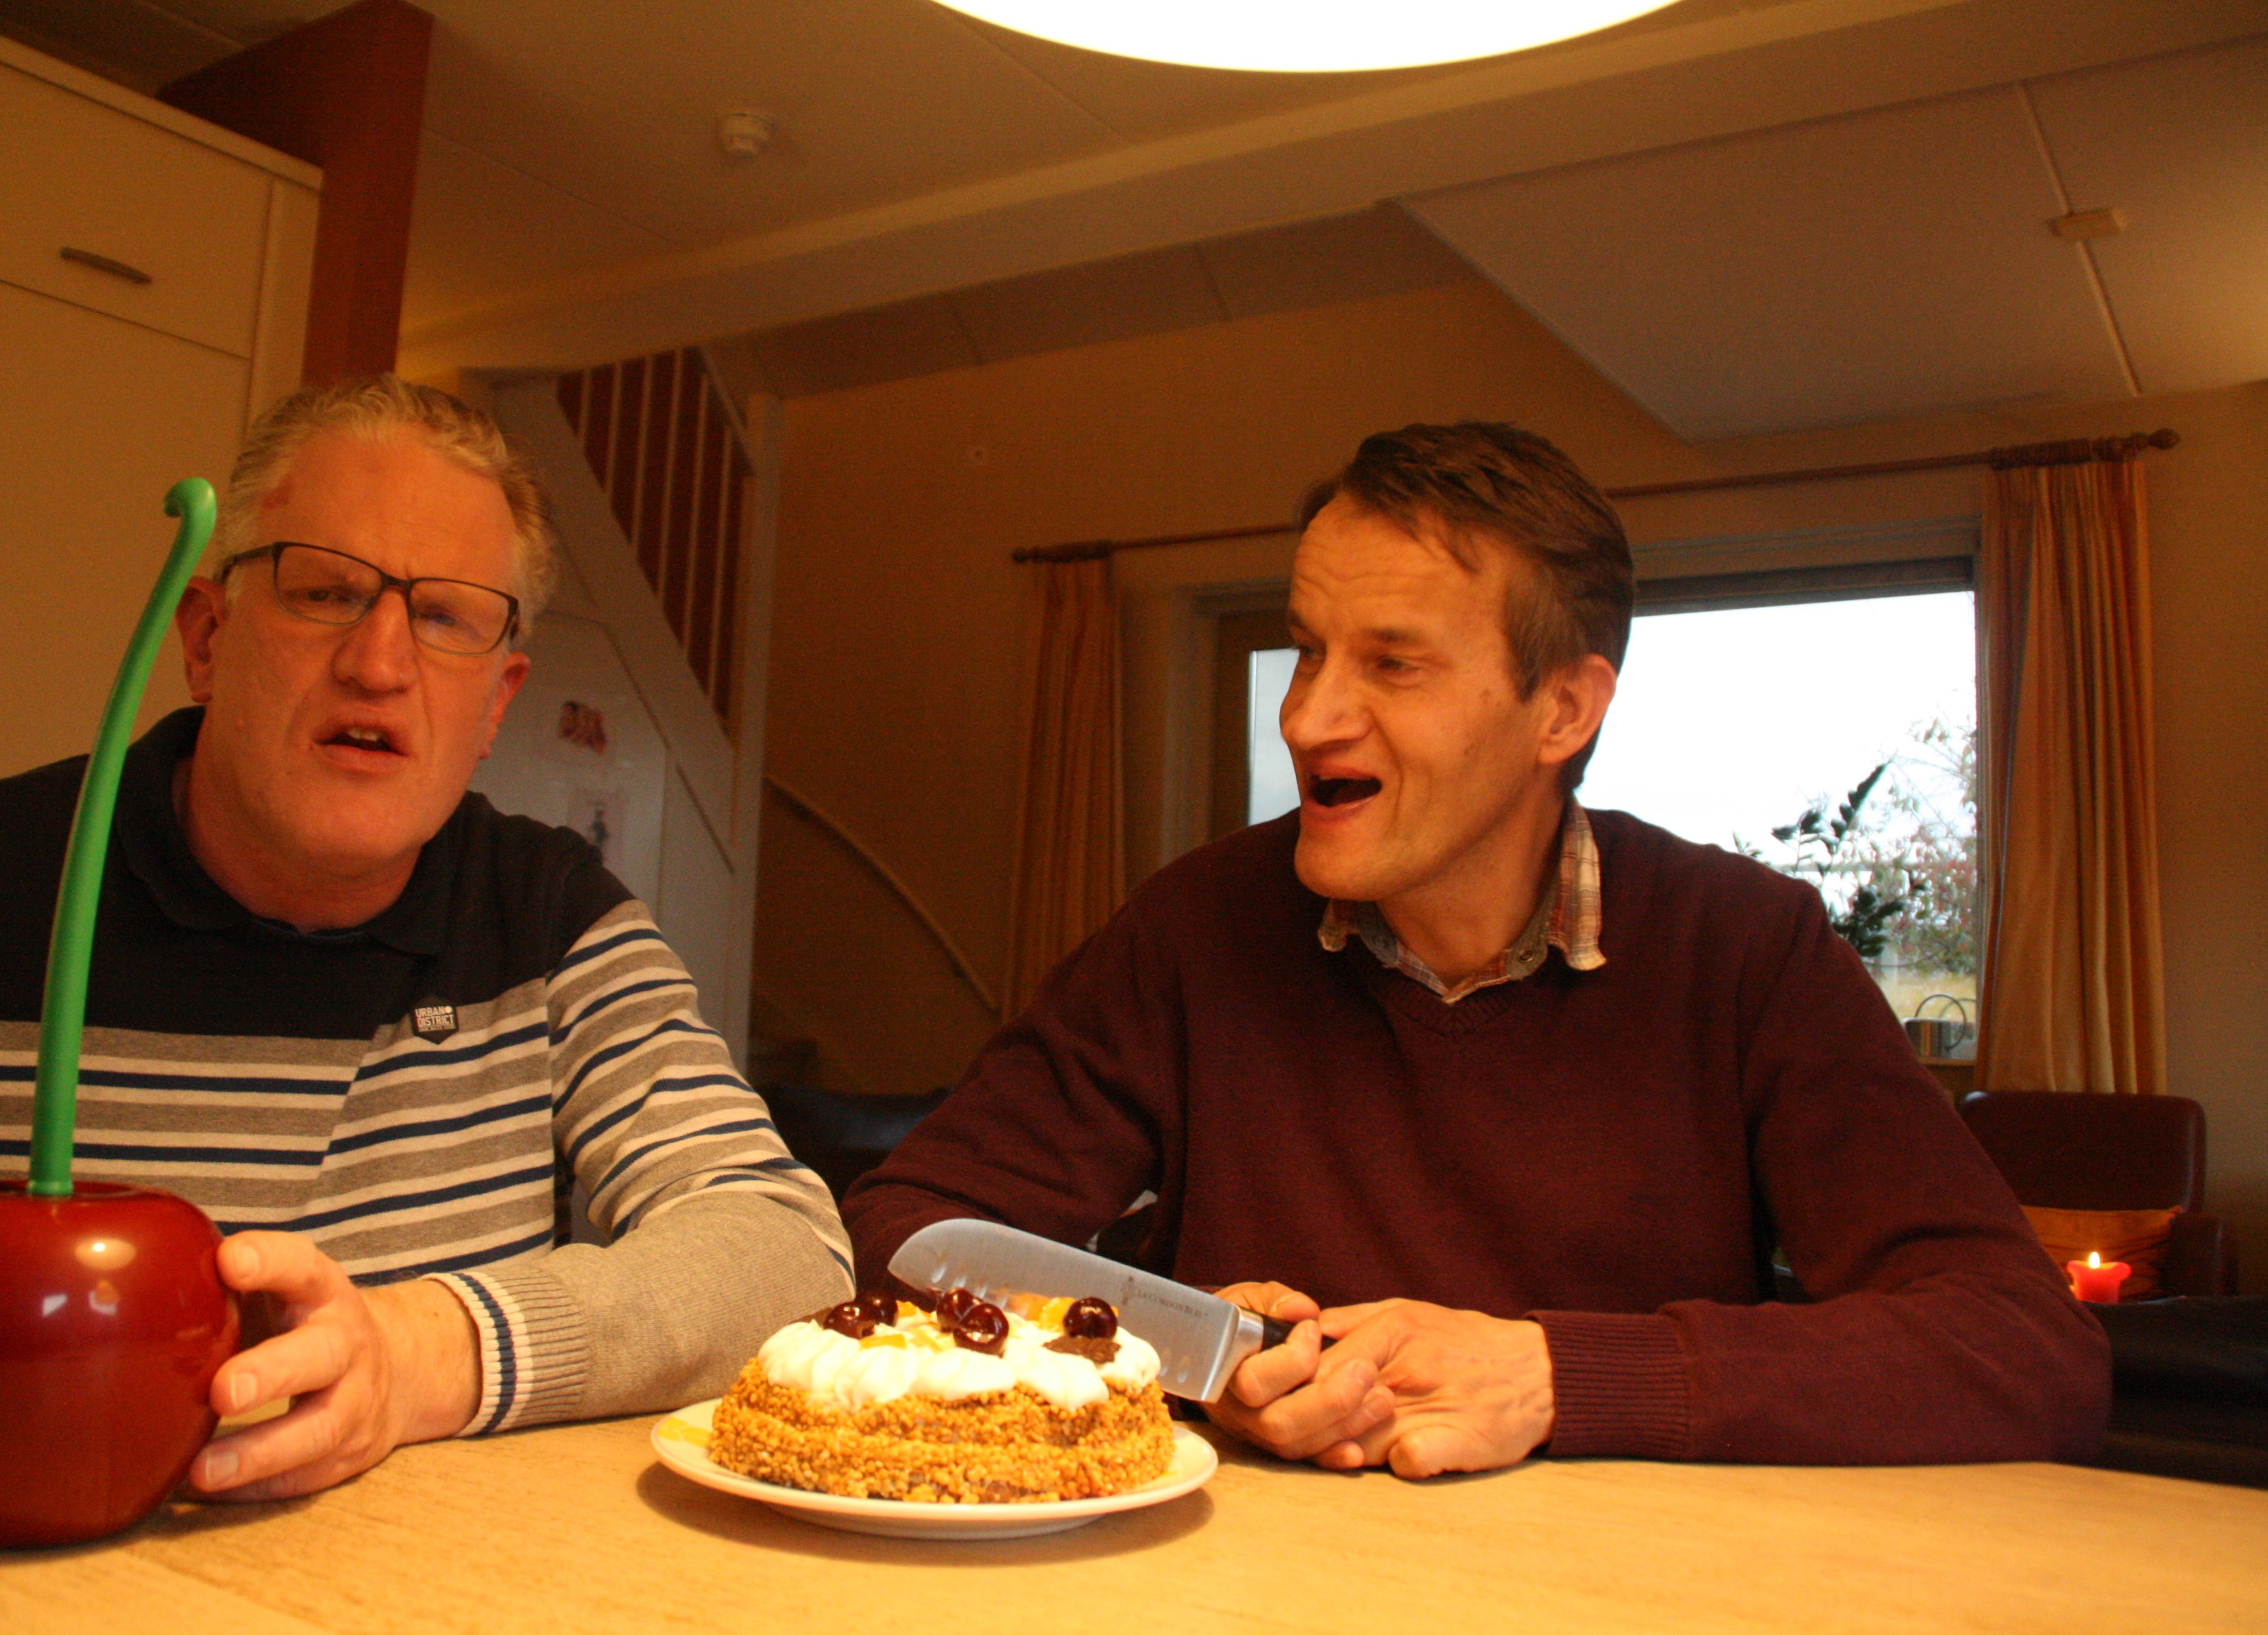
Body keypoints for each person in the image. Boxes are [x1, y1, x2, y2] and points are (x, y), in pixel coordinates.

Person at [845, 422, 2108, 1478]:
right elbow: (899, 1234)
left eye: (1392, 663)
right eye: (1308, 649)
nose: (1308, 717)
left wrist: (1559, 1373)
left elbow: (2022, 1348)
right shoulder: (1197, 929)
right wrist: (1173, 1352)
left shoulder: (1744, 949)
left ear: (1563, 708)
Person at [0, 378, 849, 1541]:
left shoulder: (555, 923)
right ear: (207, 637)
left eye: (447, 616)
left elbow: (782, 1248)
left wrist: (420, 1354)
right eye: (325, 591)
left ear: (497, 701)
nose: (379, 661)